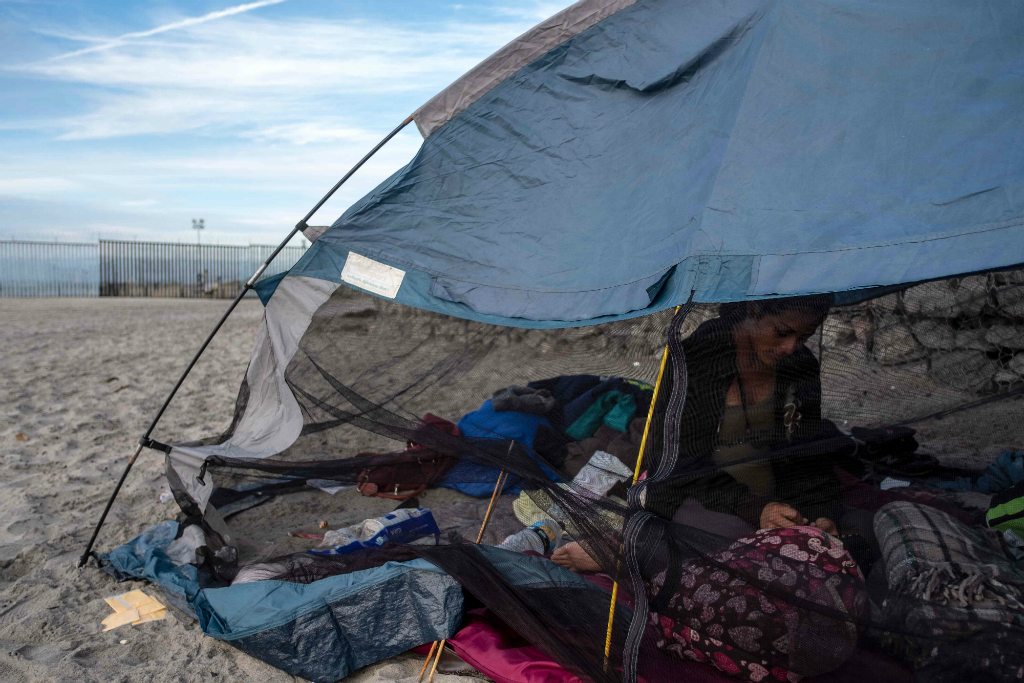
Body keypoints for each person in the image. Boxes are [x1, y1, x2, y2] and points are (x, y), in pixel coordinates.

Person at [554, 295, 878, 573]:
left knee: (864, 528)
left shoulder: (800, 365)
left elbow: (807, 455)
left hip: (777, 497)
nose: (791, 347)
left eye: (804, 337)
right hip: (700, 495)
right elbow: (683, 466)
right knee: (742, 555)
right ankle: (625, 550)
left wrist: (821, 515)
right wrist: (756, 509)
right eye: (782, 333)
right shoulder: (694, 362)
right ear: (752, 309)